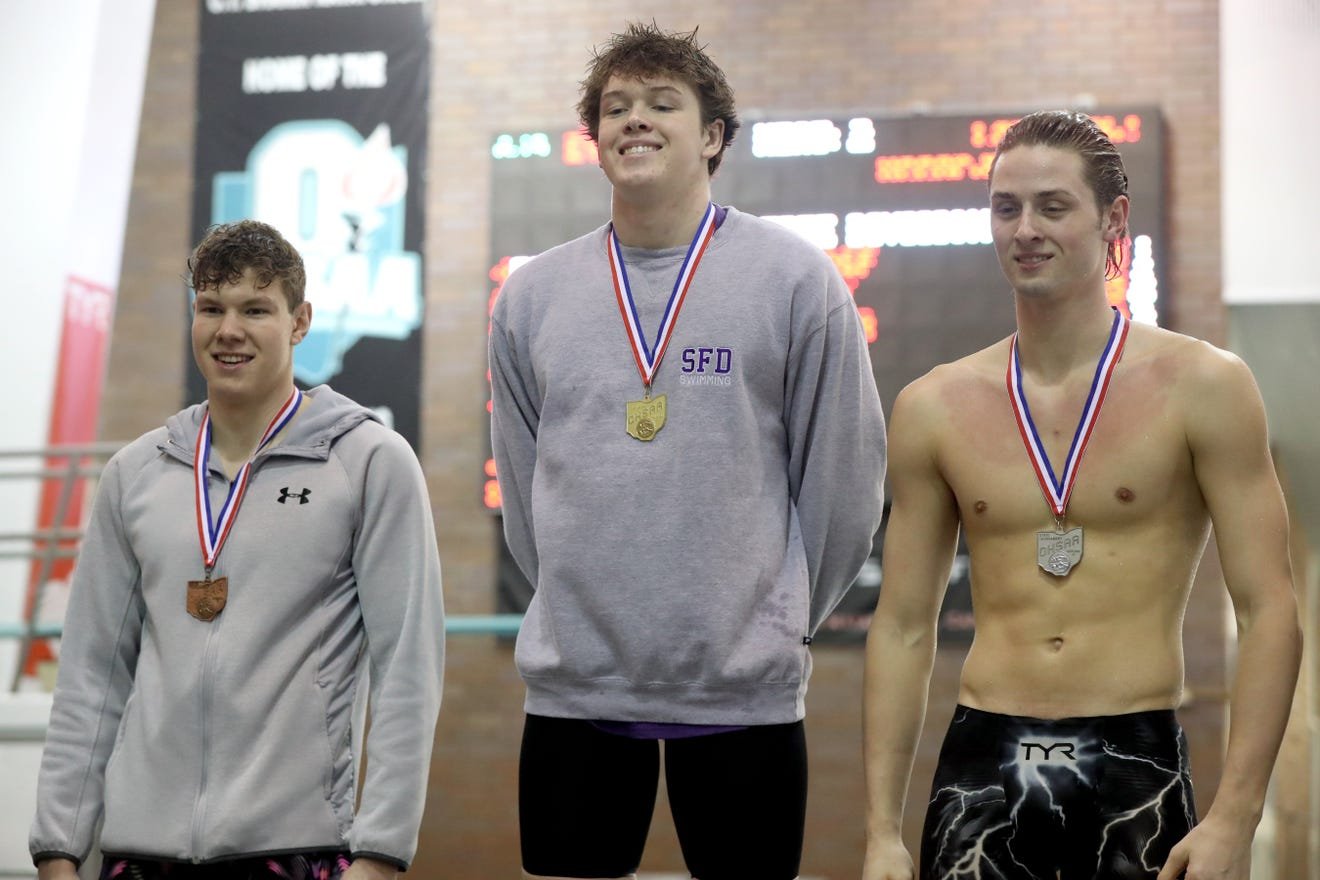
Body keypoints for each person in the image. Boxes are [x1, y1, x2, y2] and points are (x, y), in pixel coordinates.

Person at [489, 21, 886, 880]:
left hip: (742, 691)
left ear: (712, 136)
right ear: (595, 143)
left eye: (662, 103)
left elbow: (845, 487)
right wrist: (576, 607)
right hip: (576, 689)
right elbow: (525, 497)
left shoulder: (795, 280)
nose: (635, 119)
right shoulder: (532, 297)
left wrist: (773, 622)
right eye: (615, 107)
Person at [861, 110, 1302, 880]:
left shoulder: (1204, 386)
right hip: (983, 765)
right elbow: (901, 626)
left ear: (1113, 219)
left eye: (1052, 206)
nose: (1025, 229)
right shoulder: (934, 405)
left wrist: (1237, 813)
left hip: (1134, 761)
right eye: (1007, 208)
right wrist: (878, 832)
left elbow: (1269, 608)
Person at [30, 220, 445, 880]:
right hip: (138, 851)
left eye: (256, 308)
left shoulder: (367, 463)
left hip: (296, 847)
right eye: (212, 308)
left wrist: (381, 855)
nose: (230, 330)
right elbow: (90, 675)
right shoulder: (136, 474)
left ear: (300, 321)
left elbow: (408, 673)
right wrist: (58, 847)